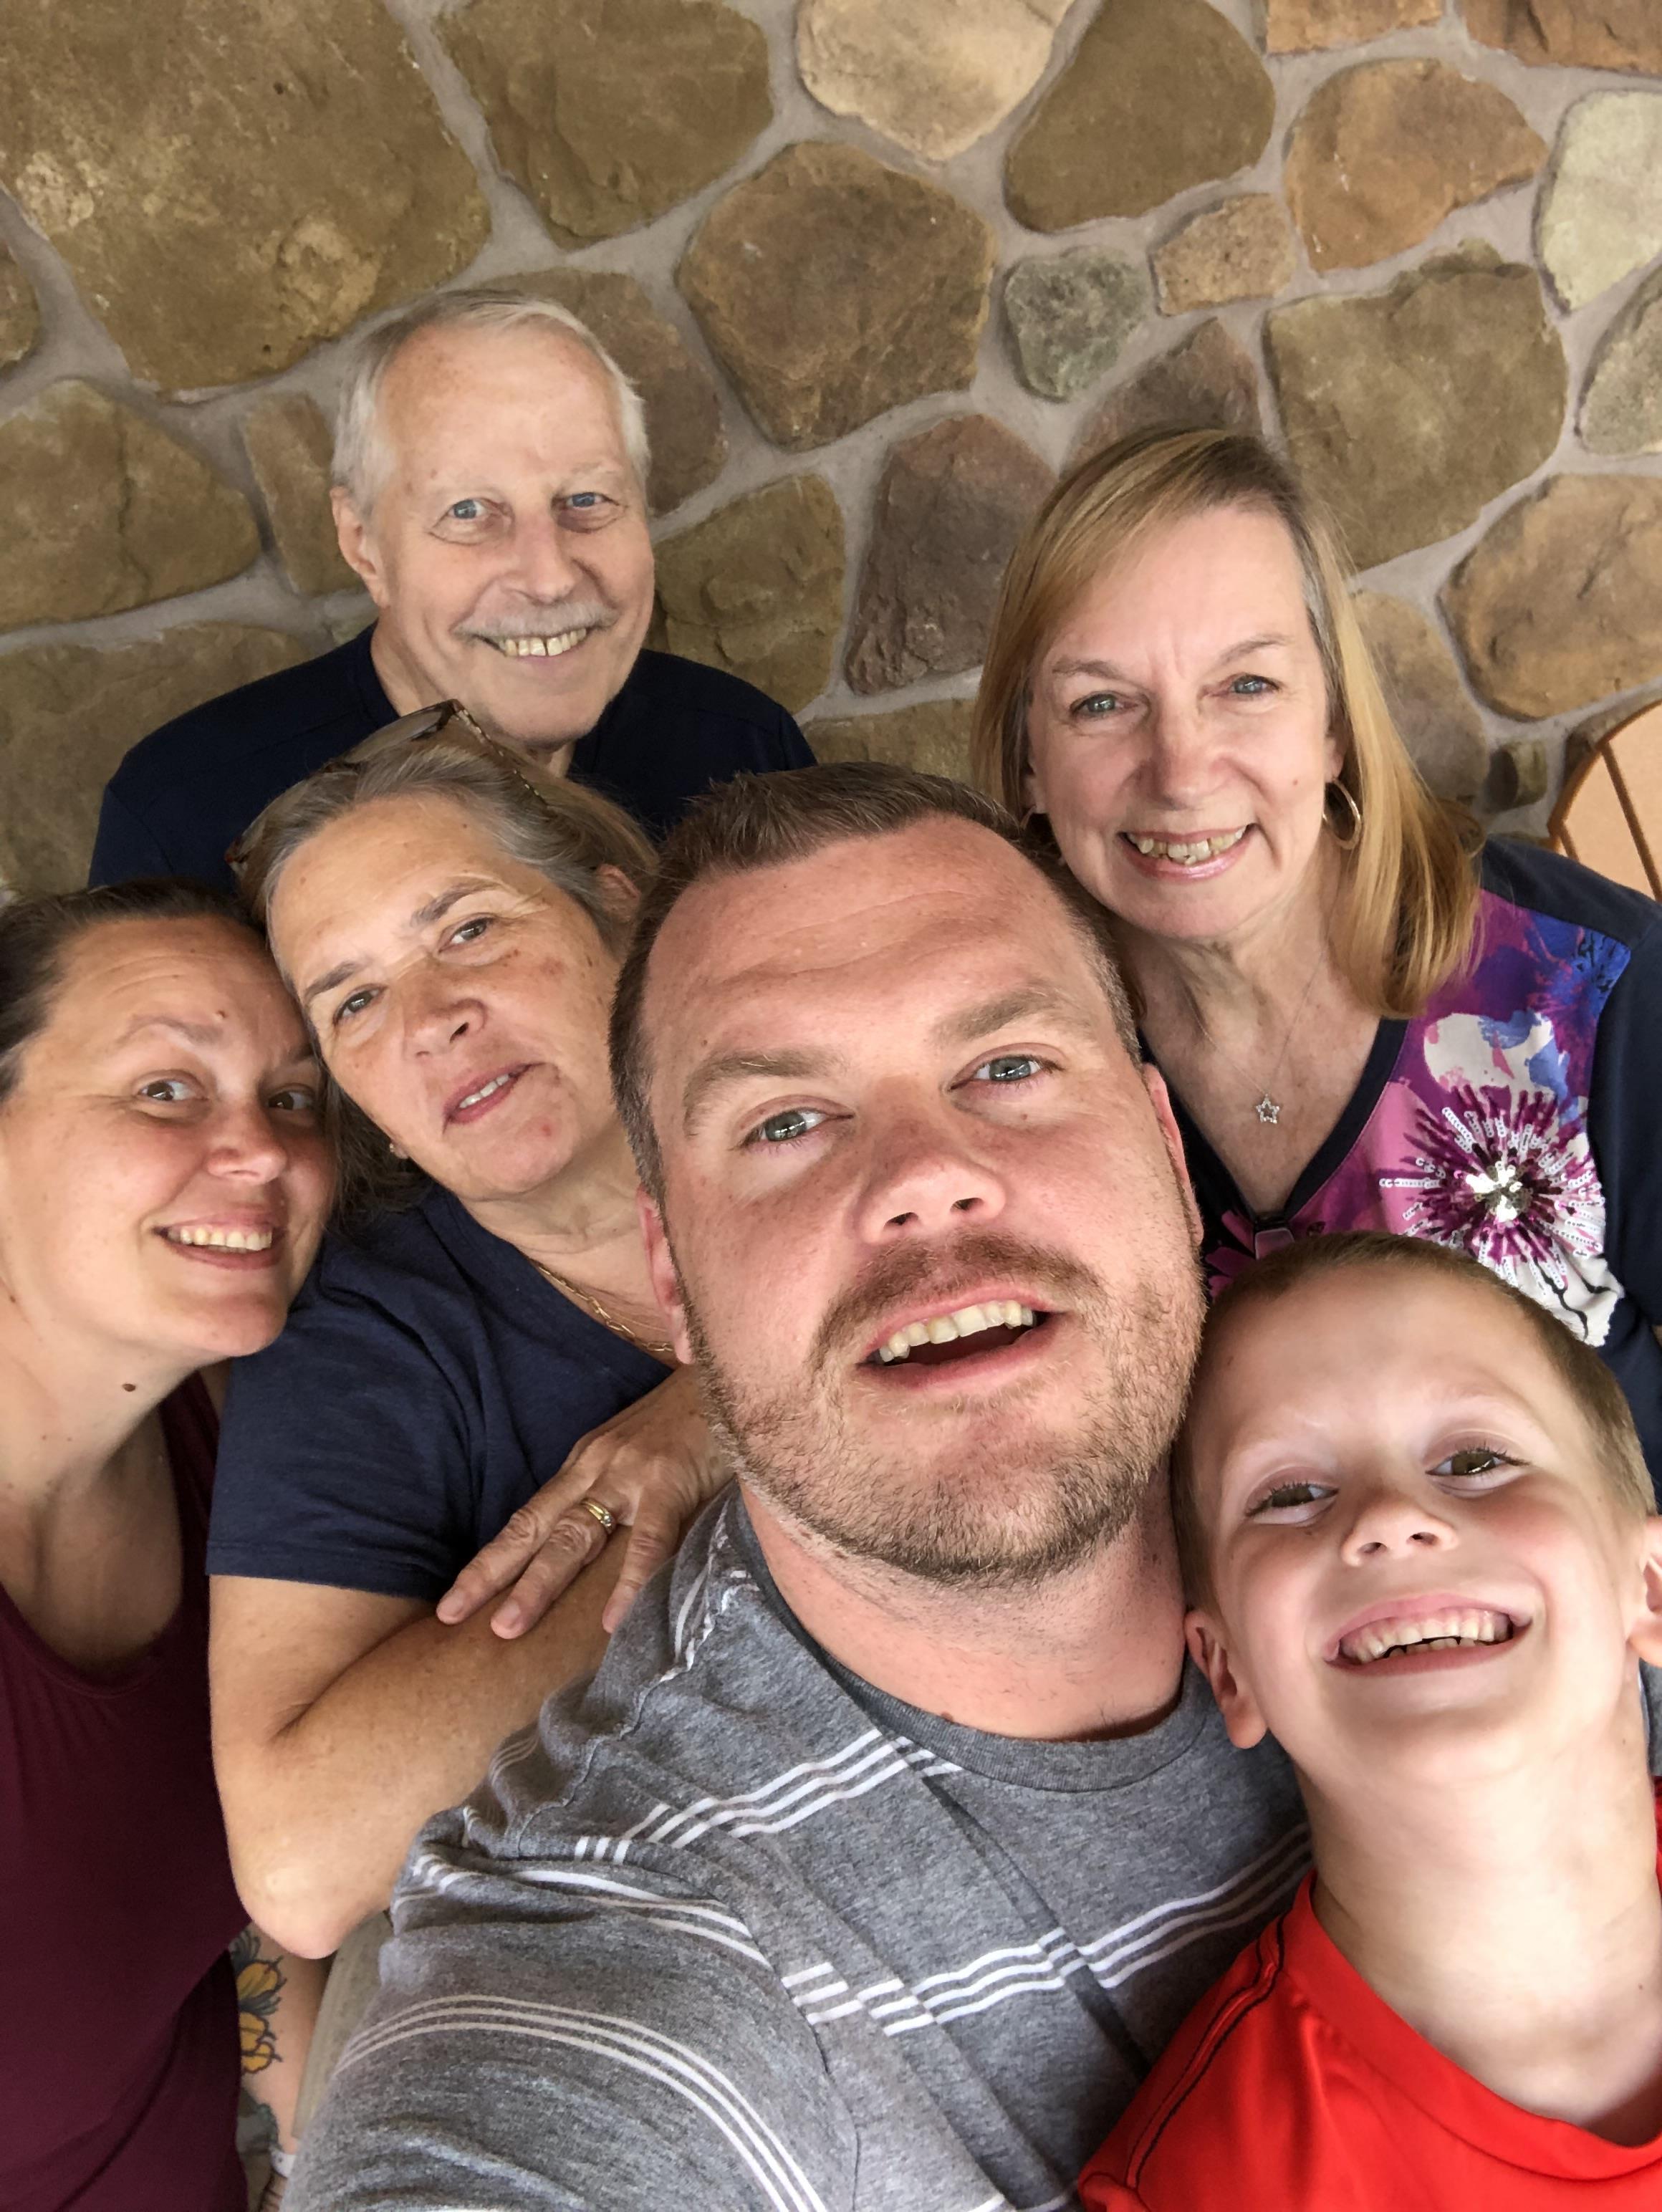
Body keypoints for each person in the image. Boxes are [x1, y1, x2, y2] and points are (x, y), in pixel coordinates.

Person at [286, 761, 1309, 2209]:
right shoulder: (627, 1946)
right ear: (670, 1282)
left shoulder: (1429, 1490)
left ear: (1160, 1134)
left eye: (1006, 1065)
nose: (924, 1176)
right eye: (782, 1122)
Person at [971, 428, 1662, 1486]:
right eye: (1102, 703)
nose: (1183, 773)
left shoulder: (1581, 984)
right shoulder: (1013, 1059)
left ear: (1334, 724)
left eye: (1246, 685)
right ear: (1028, 760)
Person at [208, 711, 729, 1963]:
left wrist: (733, 1407)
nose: (432, 1014)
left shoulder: (819, 1096)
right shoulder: (374, 1331)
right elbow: (300, 1856)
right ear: (364, 1105)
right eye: (357, 999)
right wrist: (747, 1451)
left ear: (620, 913)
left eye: (468, 926)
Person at [1081, 1233, 1662, 2208]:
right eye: (1292, 1494)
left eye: (1475, 1458)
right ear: (1228, 1671)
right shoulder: (1208, 2186)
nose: (1389, 1518)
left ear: (1647, 1587)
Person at [0, 879, 335, 2208]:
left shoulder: (234, 1438)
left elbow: (233, 1888)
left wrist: (324, 2149)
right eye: (165, 1089)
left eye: (296, 1096)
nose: (263, 1148)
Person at [88, 288, 813, 893]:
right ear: (362, 542)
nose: (548, 574)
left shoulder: (745, 755)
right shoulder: (182, 815)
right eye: (468, 512)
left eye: (587, 499)